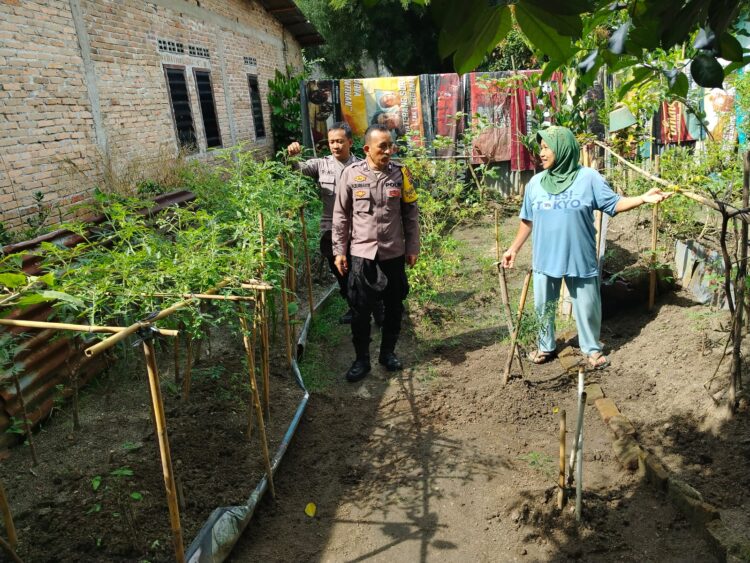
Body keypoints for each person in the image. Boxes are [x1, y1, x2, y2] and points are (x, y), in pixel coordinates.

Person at [501, 126, 671, 369]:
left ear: (564, 148)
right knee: (543, 306)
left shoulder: (588, 178)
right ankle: (545, 346)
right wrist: (513, 248)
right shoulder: (535, 184)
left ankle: (591, 349)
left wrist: (642, 198)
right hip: (545, 257)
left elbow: (613, 203)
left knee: (587, 306)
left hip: (579, 256)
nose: (542, 152)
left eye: (547, 147)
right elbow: (527, 220)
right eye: (541, 148)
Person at [332, 124, 420, 382]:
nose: (389, 150)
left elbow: (410, 214)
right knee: (360, 311)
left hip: (393, 254)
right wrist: (340, 250)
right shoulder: (351, 175)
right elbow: (341, 217)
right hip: (363, 255)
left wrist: (412, 247)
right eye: (383, 146)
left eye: (391, 145)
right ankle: (361, 360)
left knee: (394, 308)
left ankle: (387, 354)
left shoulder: (401, 174)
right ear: (367, 149)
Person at [287, 123, 360, 323]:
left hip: (358, 230)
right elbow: (297, 170)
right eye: (332, 142)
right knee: (340, 272)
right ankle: (354, 308)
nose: (335, 146)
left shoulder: (362, 167)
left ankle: (375, 307)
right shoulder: (321, 165)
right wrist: (292, 156)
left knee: (360, 271)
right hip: (331, 230)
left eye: (340, 141)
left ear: (350, 142)